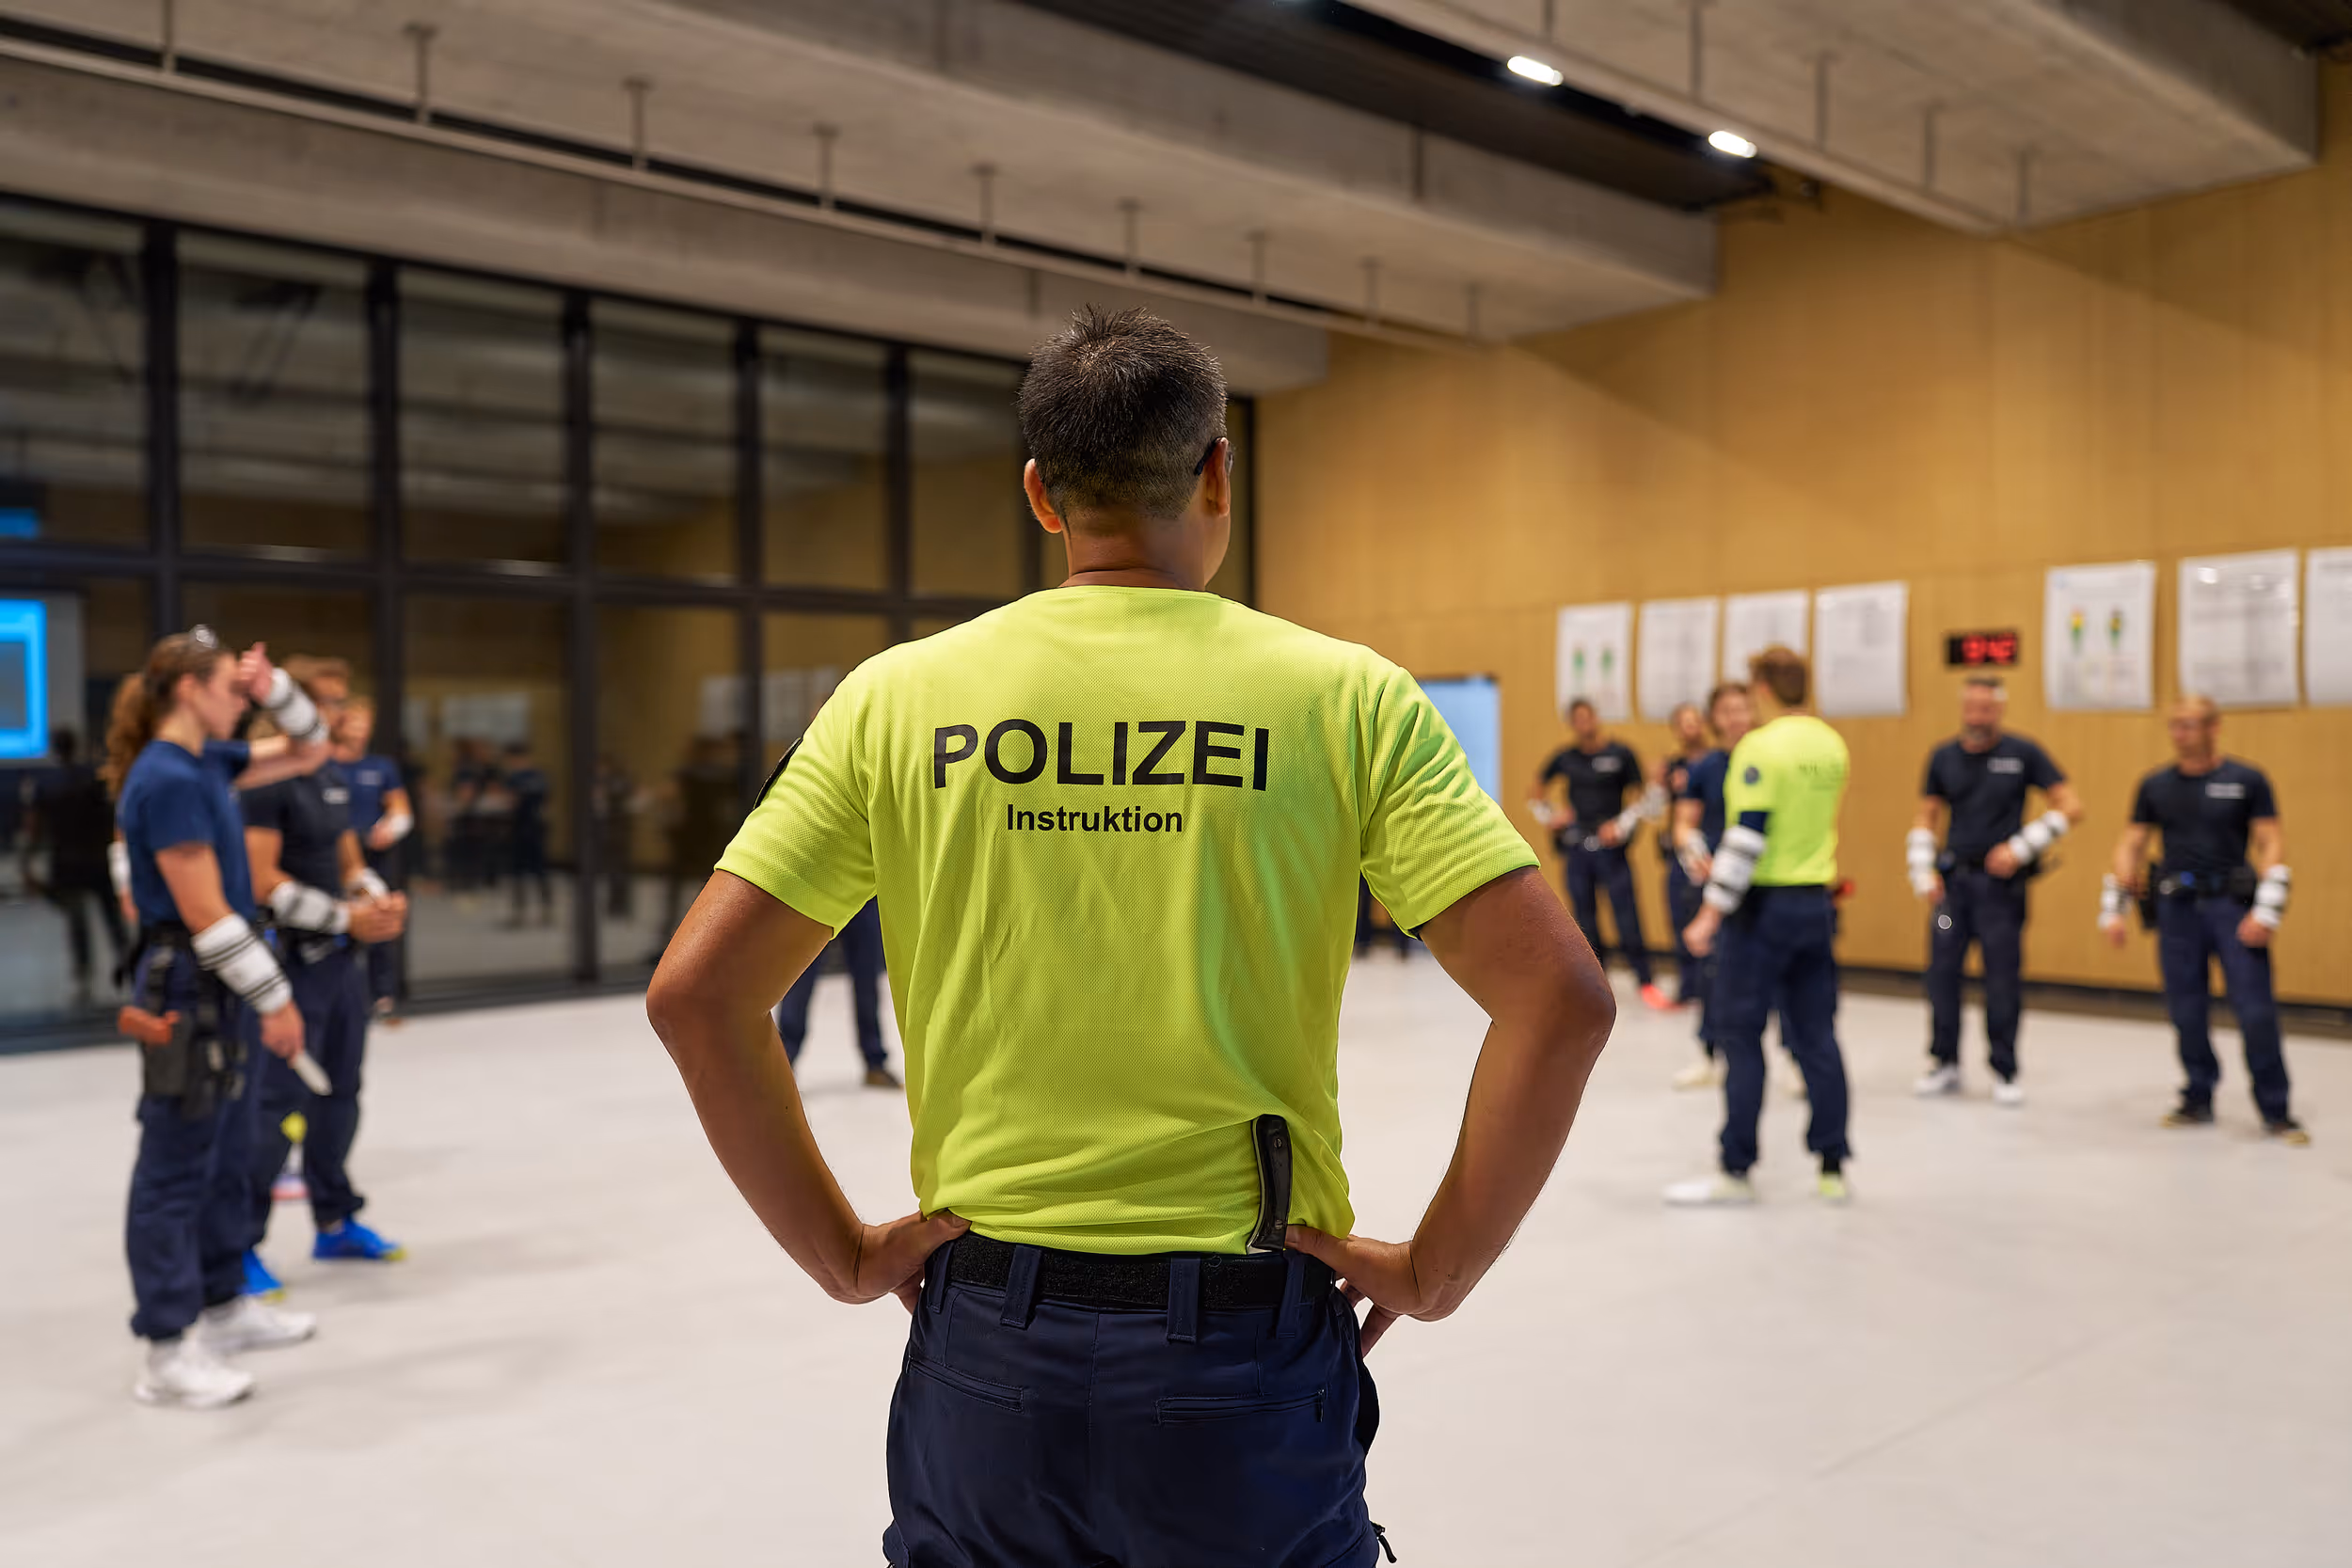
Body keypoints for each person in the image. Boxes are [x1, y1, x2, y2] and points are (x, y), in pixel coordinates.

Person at [647, 306, 1615, 1567]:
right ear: (1219, 471)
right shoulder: (1344, 696)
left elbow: (698, 994)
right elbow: (1562, 998)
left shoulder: (898, 697)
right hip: (1241, 1345)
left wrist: (843, 1253)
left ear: (1043, 495)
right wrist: (1435, 1269)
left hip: (985, 1337)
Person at [105, 628, 328, 1407]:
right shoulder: (166, 778)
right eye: (231, 688)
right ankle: (167, 1347)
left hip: (219, 991)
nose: (243, 702)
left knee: (231, 1148)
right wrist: (278, 999)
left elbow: (311, 747)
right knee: (175, 1164)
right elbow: (207, 917)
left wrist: (274, 689)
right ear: (187, 689)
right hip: (189, 991)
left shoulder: (208, 762)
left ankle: (223, 1300)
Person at [242, 657, 411, 1276]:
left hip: (342, 969)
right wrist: (348, 918)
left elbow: (349, 861)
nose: (343, 715)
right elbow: (262, 879)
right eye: (329, 703)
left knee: (341, 1097)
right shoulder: (264, 780)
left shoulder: (330, 775)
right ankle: (240, 1249)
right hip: (289, 968)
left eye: (342, 702)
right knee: (275, 1108)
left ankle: (334, 1222)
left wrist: (372, 894)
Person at [1671, 646, 1852, 1206]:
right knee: (1817, 1036)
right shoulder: (1832, 745)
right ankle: (1831, 1166)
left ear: (1765, 691)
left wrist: (1708, 915)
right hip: (1815, 907)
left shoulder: (1760, 748)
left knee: (1740, 1038)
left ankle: (1736, 1168)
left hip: (1761, 913)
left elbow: (1747, 839)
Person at [2101, 695, 2305, 1143]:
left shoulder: (2246, 779)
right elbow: (2131, 842)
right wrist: (2118, 895)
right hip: (2177, 910)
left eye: (2190, 725)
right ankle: (2197, 1095)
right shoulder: (2154, 785)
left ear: (2214, 728)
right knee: (2186, 1009)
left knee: (2254, 1010)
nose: (2180, 734)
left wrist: (2267, 908)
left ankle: (2275, 1109)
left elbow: (2271, 841)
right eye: (2175, 726)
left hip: (2232, 906)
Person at [1908, 676, 2082, 1106]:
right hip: (1951, 892)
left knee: (2001, 976)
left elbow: (2071, 806)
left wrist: (2023, 847)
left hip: (1999, 891)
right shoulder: (1943, 756)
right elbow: (1926, 816)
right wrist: (1922, 870)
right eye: (1970, 707)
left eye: (1985, 708)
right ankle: (1944, 1060)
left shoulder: (2022, 754)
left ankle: (2004, 1067)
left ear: (1999, 710)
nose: (1976, 716)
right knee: (1942, 969)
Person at [1530, 698, 1673, 1011]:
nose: (1583, 724)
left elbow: (1642, 797)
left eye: (1587, 717)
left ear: (1596, 718)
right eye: (1576, 719)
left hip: (1612, 848)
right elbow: (1537, 788)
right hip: (1578, 847)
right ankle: (1596, 983)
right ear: (1572, 723)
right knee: (1584, 916)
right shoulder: (1566, 758)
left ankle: (1645, 980)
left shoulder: (1620, 754)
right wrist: (1550, 815)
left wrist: (1621, 826)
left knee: (1627, 915)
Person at [1667, 683, 1754, 1089]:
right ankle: (1707, 1054)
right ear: (1714, 718)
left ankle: (1793, 1059)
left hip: (1766, 884)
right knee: (1712, 972)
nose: (1735, 717)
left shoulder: (1768, 760)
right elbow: (1682, 824)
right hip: (1717, 885)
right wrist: (1694, 850)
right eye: (1726, 710)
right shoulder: (1706, 768)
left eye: (1743, 709)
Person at [21, 728, 128, 1006]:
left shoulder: (47, 783)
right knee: (112, 918)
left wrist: (27, 861)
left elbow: (34, 826)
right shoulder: (94, 778)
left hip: (68, 861)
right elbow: (113, 815)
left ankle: (84, 976)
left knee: (79, 922)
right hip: (96, 858)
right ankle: (128, 967)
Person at [336, 696, 414, 1019]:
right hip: (335, 856)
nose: (360, 730)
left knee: (381, 914)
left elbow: (401, 809)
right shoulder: (325, 765)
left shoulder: (380, 766)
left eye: (365, 723)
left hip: (374, 853)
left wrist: (391, 828)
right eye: (354, 722)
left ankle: (382, 991)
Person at [773, 896, 899, 1088]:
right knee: (799, 978)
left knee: (867, 978)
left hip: (863, 890)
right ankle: (783, 1064)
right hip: (817, 891)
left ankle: (875, 1063)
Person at [1658, 702, 1711, 1005]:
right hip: (1679, 854)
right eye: (1683, 723)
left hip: (1709, 852)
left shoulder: (1717, 762)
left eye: (1695, 721)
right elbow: (1656, 808)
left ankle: (1712, 987)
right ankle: (1688, 985)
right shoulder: (1673, 768)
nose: (1690, 728)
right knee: (1679, 917)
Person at [501, 739, 553, 928]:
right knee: (540, 870)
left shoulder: (513, 778)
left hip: (519, 827)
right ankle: (547, 910)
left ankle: (519, 913)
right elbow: (547, 804)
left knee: (518, 871)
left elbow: (510, 802)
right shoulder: (540, 776)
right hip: (537, 827)